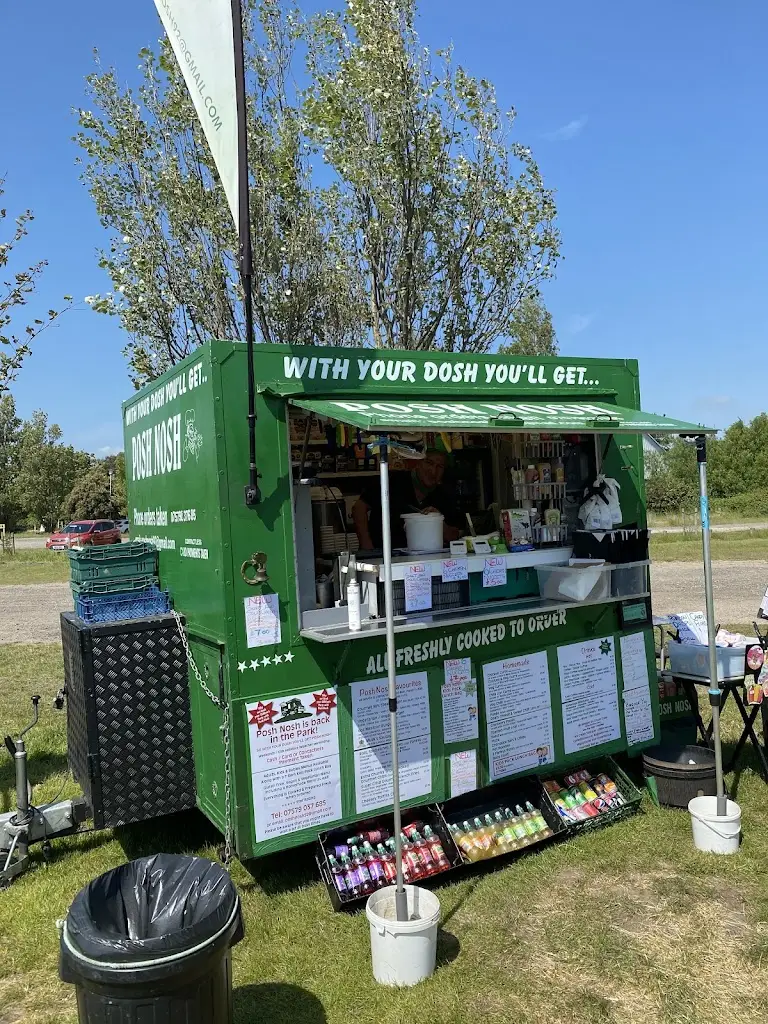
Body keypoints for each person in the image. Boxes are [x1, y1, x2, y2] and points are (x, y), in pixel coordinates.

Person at [352, 448, 463, 551]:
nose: (433, 470)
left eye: (440, 467)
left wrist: (438, 522)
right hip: (383, 555)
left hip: (425, 562)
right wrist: (366, 544)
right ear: (417, 463)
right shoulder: (393, 482)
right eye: (429, 463)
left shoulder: (443, 495)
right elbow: (359, 508)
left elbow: (454, 536)